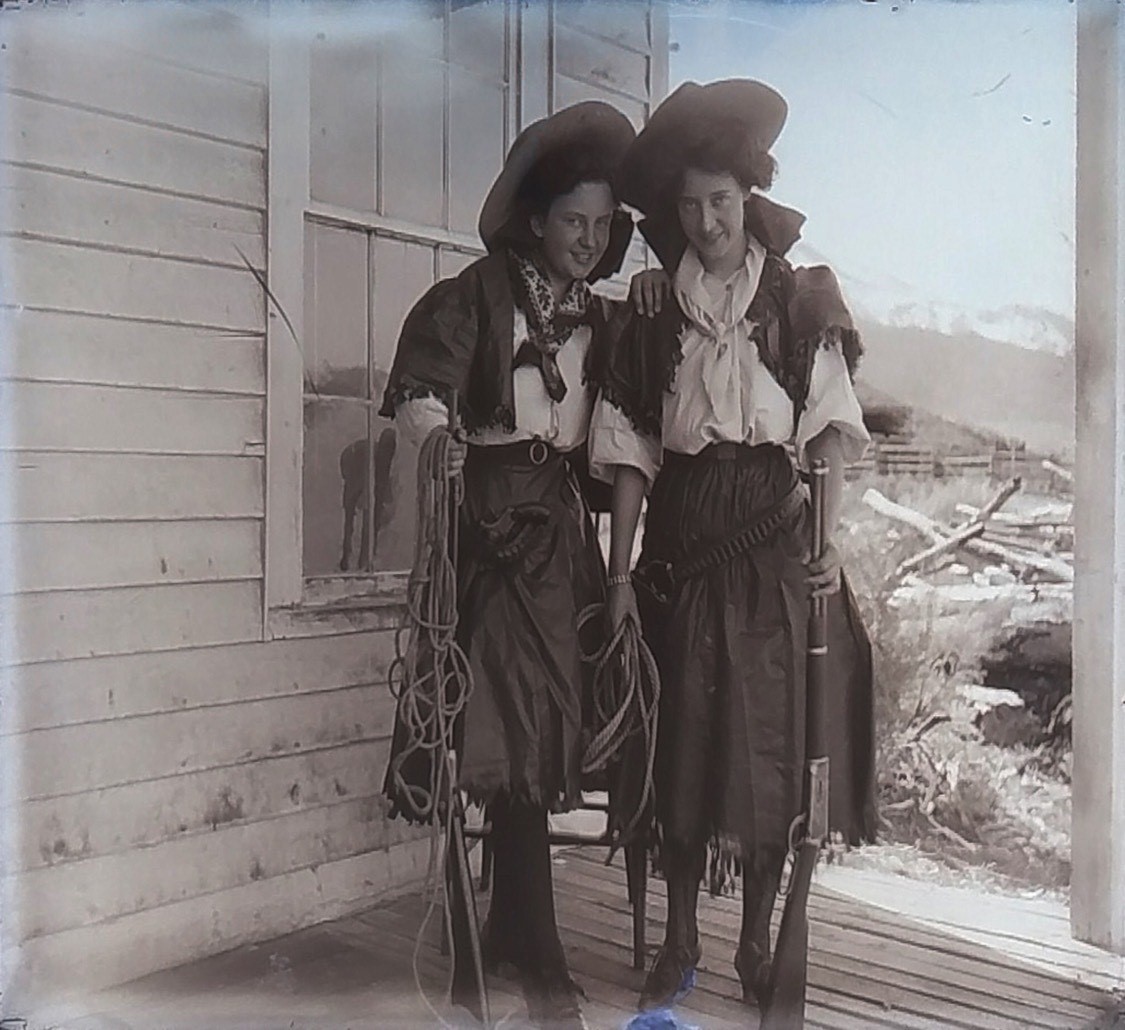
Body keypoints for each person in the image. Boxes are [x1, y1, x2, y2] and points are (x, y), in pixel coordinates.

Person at [588, 79, 878, 1012]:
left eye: (721, 200)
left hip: (770, 536)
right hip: (682, 533)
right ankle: (677, 942)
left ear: (747, 197)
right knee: (679, 732)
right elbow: (631, 451)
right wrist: (623, 571)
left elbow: (829, 428)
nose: (707, 221)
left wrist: (827, 541)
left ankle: (757, 943)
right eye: (688, 205)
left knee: (764, 741)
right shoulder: (649, 312)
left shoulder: (796, 299)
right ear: (671, 212)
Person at [379, 101, 637, 1030]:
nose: (588, 239)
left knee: (542, 732)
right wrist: (439, 436)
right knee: (487, 726)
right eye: (574, 221)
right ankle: (522, 943)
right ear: (536, 221)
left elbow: (614, 435)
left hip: (558, 540)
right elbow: (416, 394)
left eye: (603, 226)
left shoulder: (599, 323)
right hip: (485, 533)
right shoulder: (475, 298)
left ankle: (515, 932)